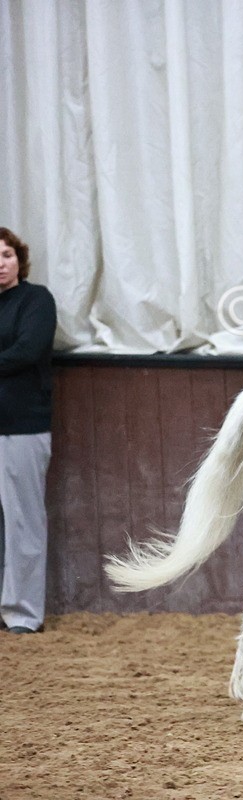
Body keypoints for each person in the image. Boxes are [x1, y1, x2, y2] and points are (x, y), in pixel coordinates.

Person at [0, 227, 56, 634]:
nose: (0, 264)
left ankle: (22, 613)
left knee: (23, 522)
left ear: (19, 261)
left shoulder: (36, 301)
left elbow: (27, 350)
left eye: (6, 255)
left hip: (20, 427)